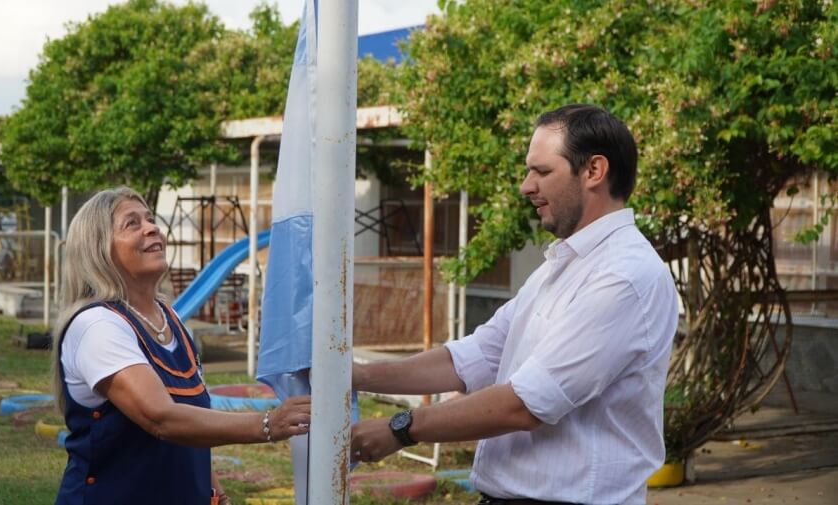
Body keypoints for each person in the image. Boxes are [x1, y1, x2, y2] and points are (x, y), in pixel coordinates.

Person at [350, 104, 679, 505]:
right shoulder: (563, 266)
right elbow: (476, 356)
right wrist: (360, 376)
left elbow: (525, 405)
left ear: (594, 170)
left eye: (542, 171)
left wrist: (401, 428)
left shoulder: (624, 276)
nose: (526, 186)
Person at [51, 187, 311, 505]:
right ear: (98, 250)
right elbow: (161, 418)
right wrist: (267, 424)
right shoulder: (97, 325)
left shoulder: (169, 318)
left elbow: (192, 419)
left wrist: (213, 490)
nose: (152, 228)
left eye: (150, 219)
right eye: (132, 223)